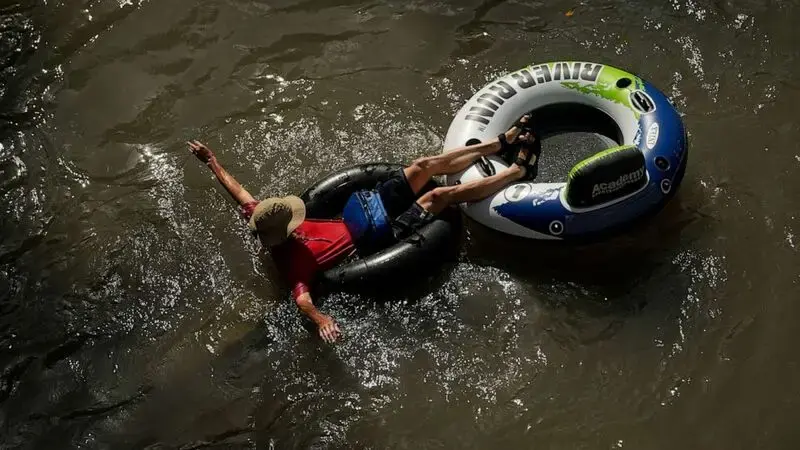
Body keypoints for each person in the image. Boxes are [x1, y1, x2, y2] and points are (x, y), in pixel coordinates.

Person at [187, 115, 539, 343]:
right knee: (438, 196)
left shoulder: (264, 216)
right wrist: (321, 320)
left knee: (422, 165)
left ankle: (500, 144)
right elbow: (302, 299)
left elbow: (239, 193)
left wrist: (212, 161)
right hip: (378, 237)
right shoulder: (292, 263)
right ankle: (517, 173)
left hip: (366, 208)